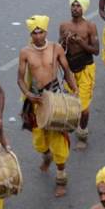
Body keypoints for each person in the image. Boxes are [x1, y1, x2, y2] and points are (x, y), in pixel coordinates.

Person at [19, 15, 78, 197]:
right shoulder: (25, 53)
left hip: (55, 96)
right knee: (39, 142)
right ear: (31, 33)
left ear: (46, 31)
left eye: (41, 32)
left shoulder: (56, 48)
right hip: (36, 98)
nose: (38, 36)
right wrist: (28, 94)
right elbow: (20, 79)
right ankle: (46, 155)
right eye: (34, 33)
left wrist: (74, 90)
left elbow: (67, 71)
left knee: (59, 140)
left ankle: (61, 177)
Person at [60, 0, 100, 148]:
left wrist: (80, 42)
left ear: (83, 9)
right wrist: (64, 41)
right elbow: (61, 49)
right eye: (73, 5)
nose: (75, 8)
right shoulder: (64, 26)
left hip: (86, 69)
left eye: (78, 6)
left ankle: (82, 135)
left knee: (83, 107)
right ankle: (71, 124)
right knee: (70, 102)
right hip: (70, 70)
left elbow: (96, 50)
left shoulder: (90, 26)